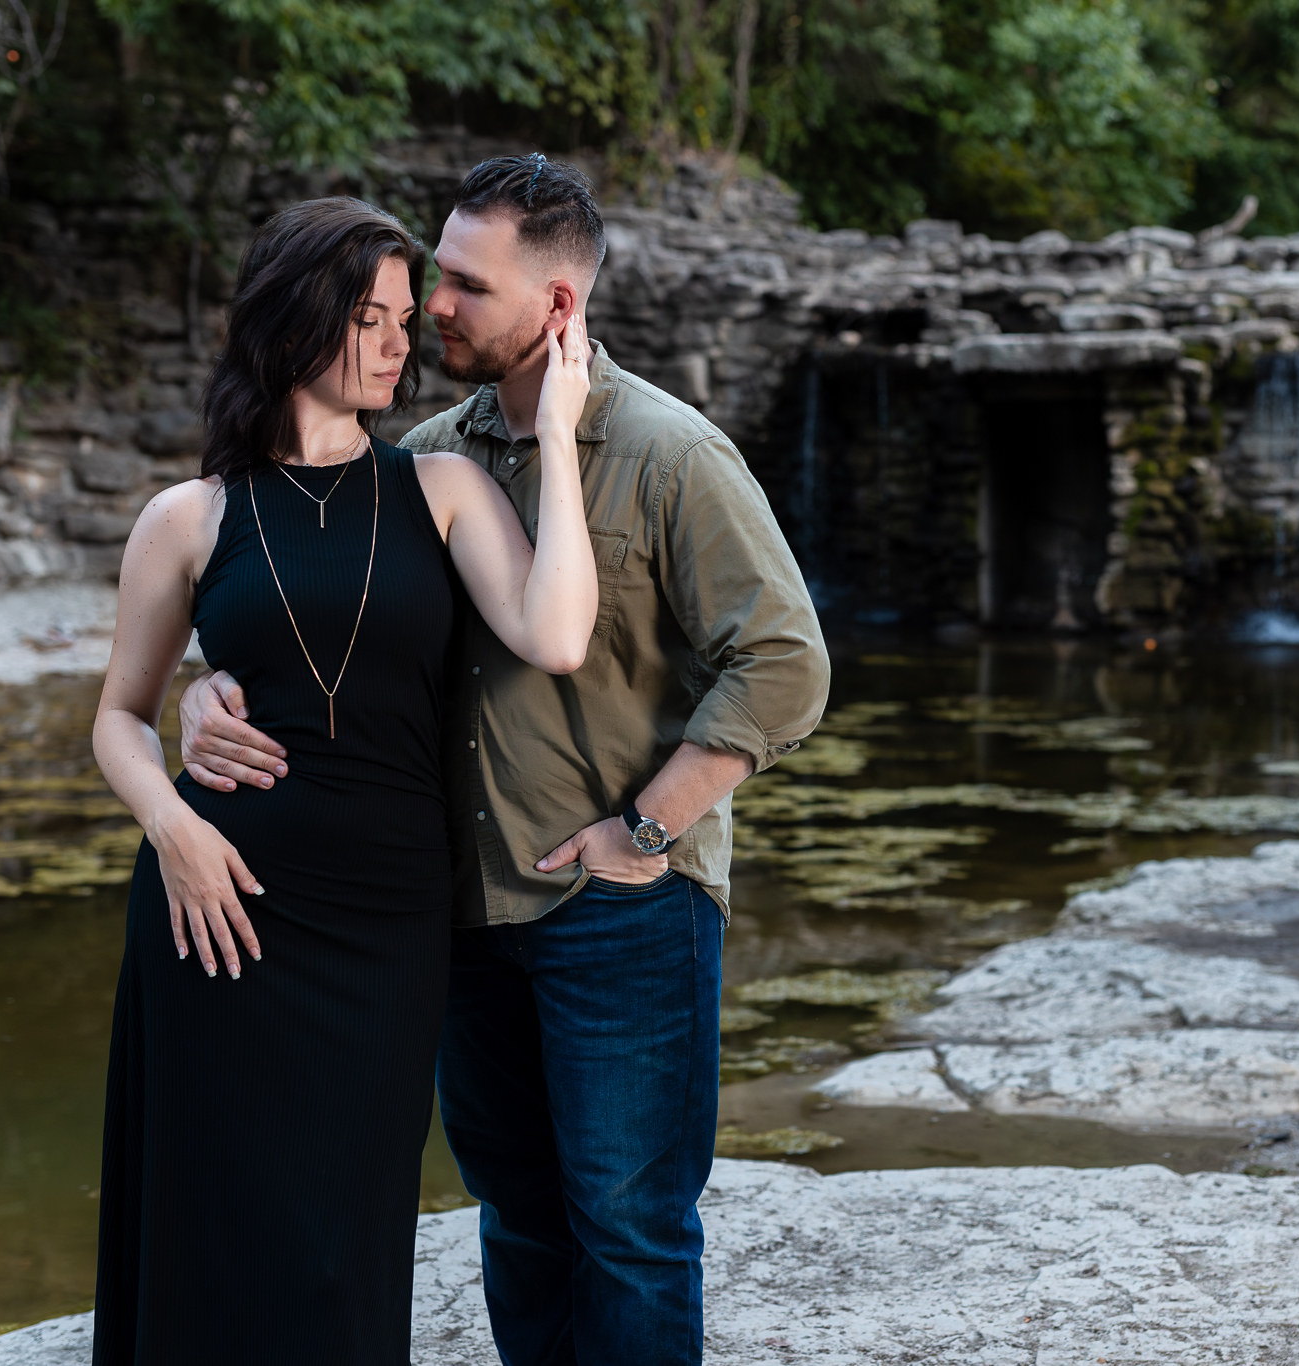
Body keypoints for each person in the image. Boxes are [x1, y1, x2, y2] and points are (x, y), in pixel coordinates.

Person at [177, 156, 830, 1365]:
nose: (432, 307)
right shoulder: (430, 454)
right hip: (459, 911)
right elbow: (307, 610)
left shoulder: (668, 454)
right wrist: (202, 687)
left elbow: (786, 666)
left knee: (628, 1226)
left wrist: (646, 830)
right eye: (436, 277)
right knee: (518, 1218)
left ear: (558, 308)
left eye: (466, 287)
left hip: (620, 907)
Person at [88, 195, 598, 1365]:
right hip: (216, 907)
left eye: (403, 320)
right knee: (212, 1208)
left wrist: (560, 437)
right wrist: (170, 819)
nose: (396, 342)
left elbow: (557, 632)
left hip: (386, 919)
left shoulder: (439, 489)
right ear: (292, 320)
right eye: (369, 317)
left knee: (348, 1223)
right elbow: (118, 717)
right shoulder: (188, 517)